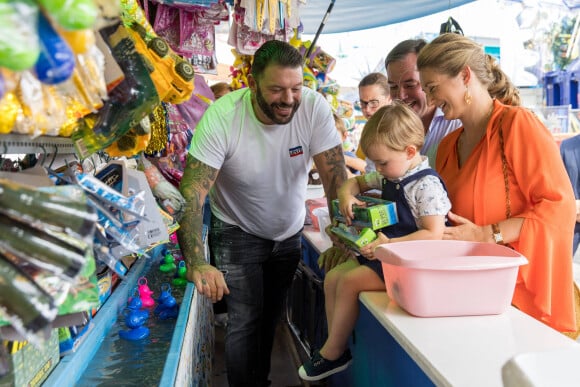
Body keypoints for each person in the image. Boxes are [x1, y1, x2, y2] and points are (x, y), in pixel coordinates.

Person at [177, 40, 348, 387]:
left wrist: (343, 237)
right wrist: (196, 262)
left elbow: (335, 177)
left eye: (296, 88)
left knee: (271, 317)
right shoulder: (223, 117)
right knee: (244, 320)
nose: (288, 99)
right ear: (252, 84)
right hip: (236, 230)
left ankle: (261, 381)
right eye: (276, 89)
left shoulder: (314, 108)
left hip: (287, 232)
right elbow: (192, 193)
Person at [416, 33, 577, 333]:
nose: (431, 100)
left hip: (519, 301)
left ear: (465, 76)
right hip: (467, 294)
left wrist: (487, 234)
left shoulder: (517, 125)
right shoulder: (449, 145)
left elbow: (559, 206)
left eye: (433, 88)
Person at [298, 102, 451, 381]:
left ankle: (333, 350)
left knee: (349, 282)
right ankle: (336, 345)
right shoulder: (392, 172)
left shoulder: (426, 185)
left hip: (411, 261)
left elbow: (434, 234)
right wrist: (346, 196)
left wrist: (389, 246)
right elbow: (354, 183)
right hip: (385, 252)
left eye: (382, 163)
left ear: (410, 152)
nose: (378, 170)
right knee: (333, 278)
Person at [385, 38, 462, 168]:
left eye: (410, 85)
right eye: (393, 86)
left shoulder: (457, 123)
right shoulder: (387, 126)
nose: (400, 95)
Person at [355, 72, 392, 172]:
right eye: (363, 103)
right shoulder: (369, 127)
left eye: (374, 103)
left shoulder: (395, 130)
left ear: (389, 98)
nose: (367, 109)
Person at [560, 134, 580, 257]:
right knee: (562, 268)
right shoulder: (566, 146)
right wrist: (572, 206)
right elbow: (557, 182)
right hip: (570, 220)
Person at [334, 112, 366, 177]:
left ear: (344, 136)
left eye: (334, 138)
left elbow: (365, 167)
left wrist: (345, 159)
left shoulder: (346, 155)